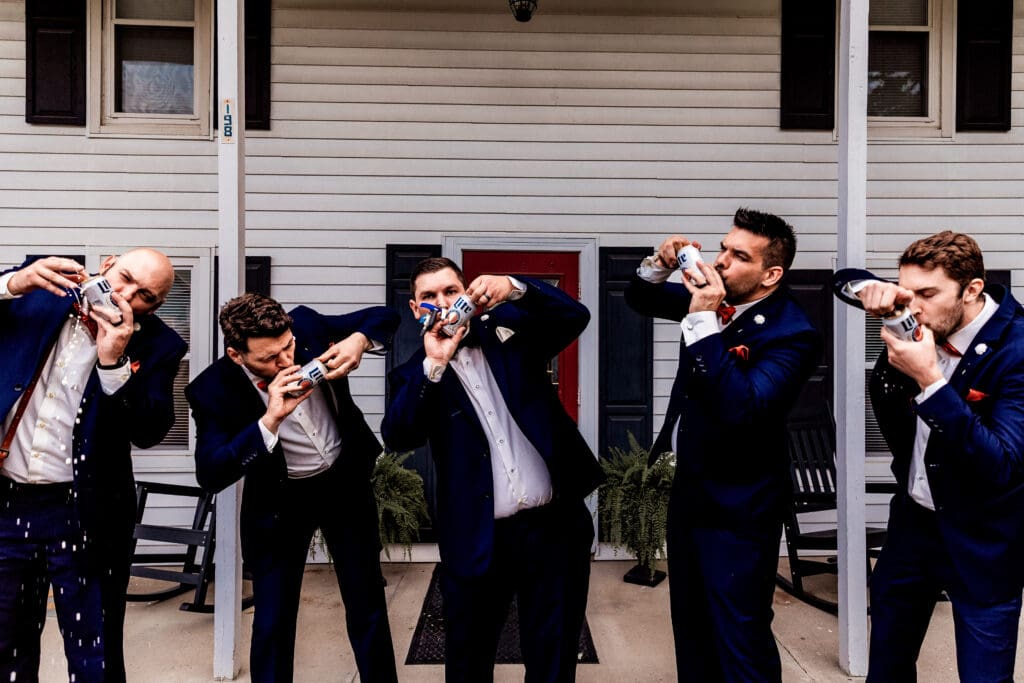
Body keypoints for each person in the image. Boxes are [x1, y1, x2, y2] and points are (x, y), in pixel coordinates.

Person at [381, 257, 603, 682]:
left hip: (553, 527)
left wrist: (514, 286)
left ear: (465, 295)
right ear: (415, 309)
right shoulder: (413, 375)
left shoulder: (512, 335)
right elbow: (399, 435)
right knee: (469, 658)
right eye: (429, 296)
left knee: (554, 656)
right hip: (477, 537)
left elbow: (575, 315)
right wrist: (435, 364)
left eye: (450, 291)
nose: (442, 303)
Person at [625, 208, 823, 682]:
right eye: (722, 248)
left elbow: (741, 407)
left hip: (741, 508)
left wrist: (702, 321)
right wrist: (660, 262)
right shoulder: (716, 302)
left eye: (738, 256)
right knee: (690, 627)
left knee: (740, 636)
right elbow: (637, 296)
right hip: (690, 492)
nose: (721, 262)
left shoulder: (793, 333)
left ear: (771, 273)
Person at [833, 231, 1024, 682]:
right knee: (887, 664)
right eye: (905, 291)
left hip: (984, 536)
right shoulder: (920, 312)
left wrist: (931, 382)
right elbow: (843, 280)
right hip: (913, 526)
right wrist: (870, 290)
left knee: (983, 676)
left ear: (972, 289)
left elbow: (1003, 465)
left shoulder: (1016, 351)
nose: (911, 307)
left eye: (927, 294)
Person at [186, 293, 400, 683]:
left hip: (344, 483)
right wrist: (268, 421)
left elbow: (385, 316)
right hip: (279, 503)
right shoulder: (210, 389)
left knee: (367, 601)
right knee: (273, 619)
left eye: (288, 347)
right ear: (237, 355)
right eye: (270, 358)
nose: (287, 361)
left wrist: (359, 341)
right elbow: (211, 473)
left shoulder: (308, 325)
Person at [0, 250, 187, 683]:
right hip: (7, 502)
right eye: (123, 278)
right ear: (107, 263)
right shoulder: (38, 293)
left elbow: (149, 430)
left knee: (95, 652)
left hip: (87, 511)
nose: (125, 296)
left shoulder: (159, 345)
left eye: (146, 297)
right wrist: (11, 284)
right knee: (5, 641)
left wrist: (115, 361)